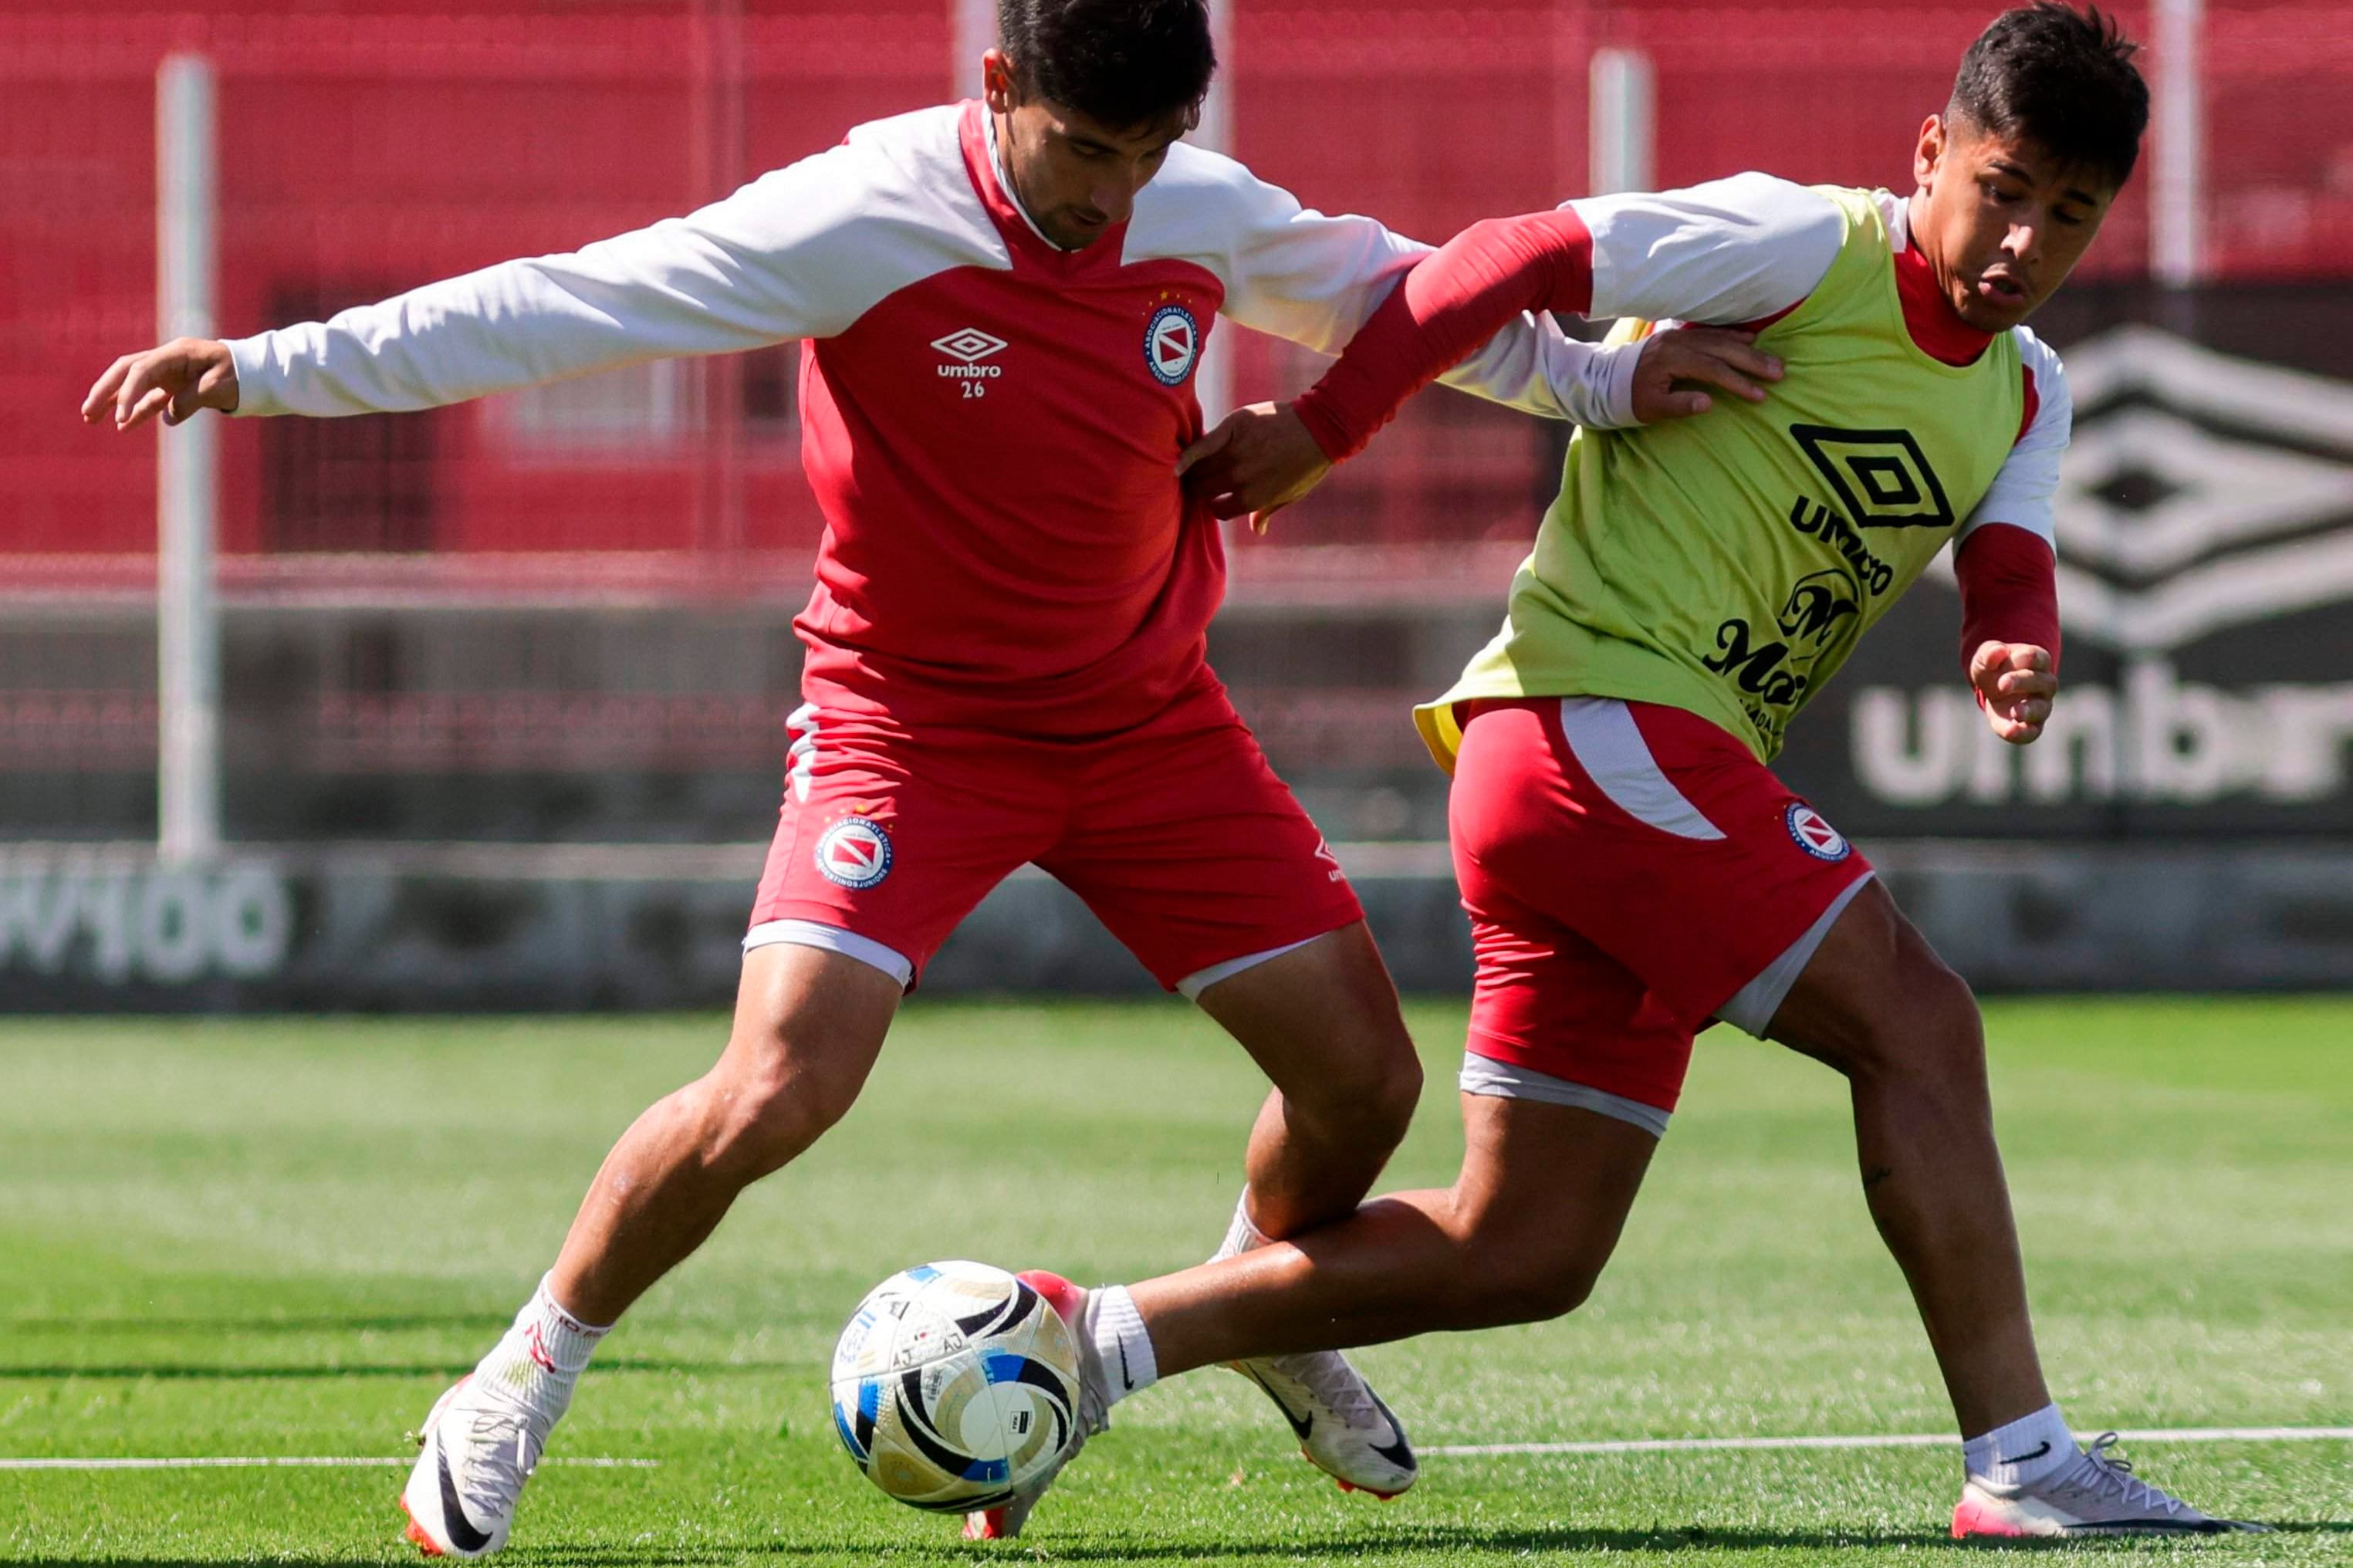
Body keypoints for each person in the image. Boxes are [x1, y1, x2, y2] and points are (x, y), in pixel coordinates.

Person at [83, 0, 1776, 1555]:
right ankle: (523, 1370)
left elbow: (1400, 302)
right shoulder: (863, 218)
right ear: (996, 91)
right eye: (1081, 153)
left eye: (1145, 155)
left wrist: (1606, 379)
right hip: (908, 720)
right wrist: (266, 367)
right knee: (778, 1086)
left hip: (1146, 725)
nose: (1112, 196)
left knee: (1359, 1086)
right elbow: (570, 301)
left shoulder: (1195, 206)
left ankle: (1270, 1309)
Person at [1003, 3, 2256, 1539]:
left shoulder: (2029, 390)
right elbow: (1501, 257)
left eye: (2069, 213)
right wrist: (1329, 427)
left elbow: (2010, 552)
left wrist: (2011, 642)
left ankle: (1093, 1340)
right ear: (1931, 152)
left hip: (1609, 781)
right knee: (1919, 1024)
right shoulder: (1797, 247)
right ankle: (2021, 1456)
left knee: (1523, 1244)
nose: (2022, 241)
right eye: (2001, 187)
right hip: (1597, 727)